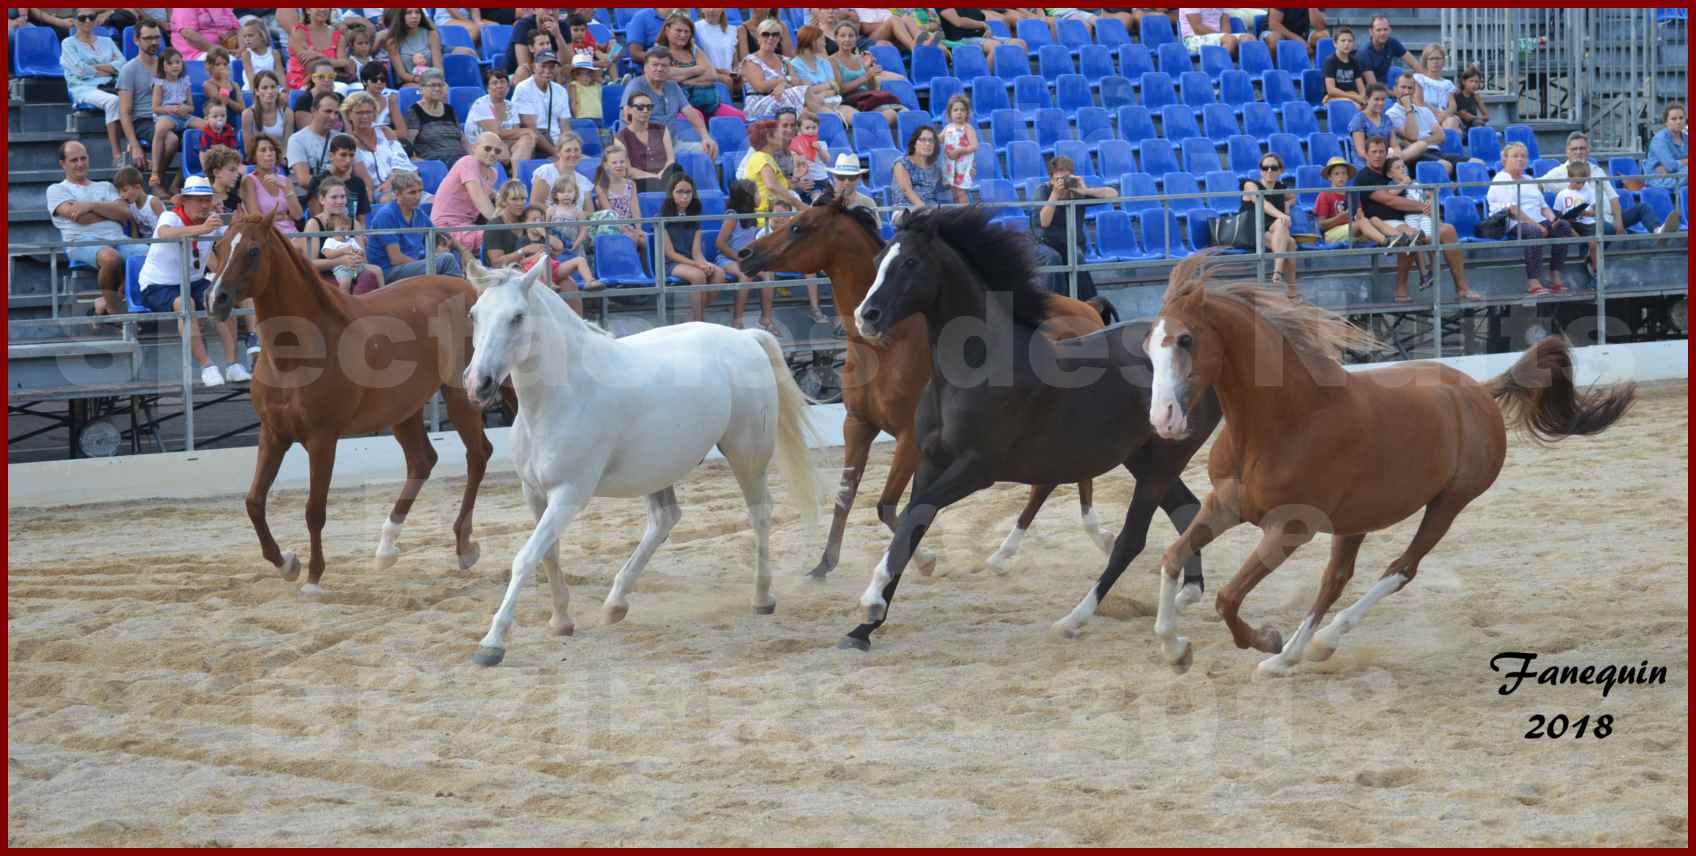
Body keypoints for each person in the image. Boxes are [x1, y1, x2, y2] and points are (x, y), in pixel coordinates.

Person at [137, 176, 246, 386]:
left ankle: (232, 364)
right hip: (157, 285)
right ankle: (207, 366)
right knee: (185, 303)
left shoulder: (212, 221)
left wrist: (237, 222)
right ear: (184, 201)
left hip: (194, 281)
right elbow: (163, 233)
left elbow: (235, 238)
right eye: (198, 200)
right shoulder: (170, 215)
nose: (204, 205)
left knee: (223, 298)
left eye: (207, 199)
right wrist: (201, 230)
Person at [1353, 135, 1478, 302]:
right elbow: (1389, 199)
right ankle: (1401, 289)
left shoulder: (1391, 171)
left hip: (1410, 218)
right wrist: (1422, 206)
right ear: (1366, 154)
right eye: (1374, 152)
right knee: (1409, 237)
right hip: (1384, 223)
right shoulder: (1364, 177)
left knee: (1448, 231)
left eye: (1381, 151)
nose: (1378, 155)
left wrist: (1424, 204)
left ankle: (1462, 288)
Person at [48, 140, 151, 316]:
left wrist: (90, 205)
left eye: (83, 158)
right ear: (62, 164)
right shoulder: (56, 190)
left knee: (149, 253)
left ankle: (108, 302)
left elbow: (125, 213)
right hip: (81, 242)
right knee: (111, 258)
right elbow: (80, 218)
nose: (80, 164)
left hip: (119, 239)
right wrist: (109, 211)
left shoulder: (106, 186)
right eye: (74, 160)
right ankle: (115, 310)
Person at [1536, 131, 1680, 250]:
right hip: (1586, 224)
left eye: (1582, 148)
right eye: (1575, 149)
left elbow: (1613, 197)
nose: (1579, 152)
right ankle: (1591, 261)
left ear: (1588, 150)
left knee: (1644, 207)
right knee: (1605, 228)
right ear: (1567, 152)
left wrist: (1618, 221)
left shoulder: (1597, 170)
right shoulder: (1560, 172)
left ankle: (1658, 232)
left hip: (1609, 218)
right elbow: (1537, 185)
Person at [1488, 142, 1574, 297]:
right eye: (1515, 156)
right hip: (1513, 222)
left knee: (1563, 226)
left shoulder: (1528, 179)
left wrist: (1553, 219)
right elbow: (1513, 210)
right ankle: (1533, 281)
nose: (1520, 159)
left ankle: (1555, 274)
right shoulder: (1501, 179)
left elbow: (1543, 206)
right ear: (1505, 159)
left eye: (1523, 156)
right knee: (1534, 231)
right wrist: (1537, 225)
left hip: (1537, 219)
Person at [1034, 155, 1115, 300]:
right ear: (1051, 179)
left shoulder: (1077, 192)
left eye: (1066, 178)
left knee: (1076, 256)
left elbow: (1113, 194)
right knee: (1054, 258)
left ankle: (1088, 304)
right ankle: (1055, 302)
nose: (1063, 183)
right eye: (1058, 179)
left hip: (1070, 243)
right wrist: (1055, 194)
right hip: (1044, 243)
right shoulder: (1043, 191)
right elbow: (1044, 223)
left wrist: (1085, 191)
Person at [621, 47, 719, 160]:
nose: (659, 69)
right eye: (655, 65)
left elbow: (690, 112)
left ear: (670, 69)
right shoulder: (636, 87)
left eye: (664, 65)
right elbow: (628, 119)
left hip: (672, 145)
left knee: (709, 150)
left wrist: (705, 136)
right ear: (645, 68)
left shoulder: (672, 86)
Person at [367, 169, 464, 281]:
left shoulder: (418, 213)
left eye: (420, 191)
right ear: (397, 194)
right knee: (446, 259)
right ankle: (461, 291)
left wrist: (464, 251)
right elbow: (396, 259)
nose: (418, 197)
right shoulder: (386, 215)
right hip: (389, 270)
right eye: (412, 192)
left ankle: (453, 291)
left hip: (412, 264)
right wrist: (429, 264)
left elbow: (441, 235)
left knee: (449, 255)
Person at [60, 8, 127, 166]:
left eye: (91, 17)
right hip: (84, 87)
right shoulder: (68, 43)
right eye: (83, 18)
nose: (88, 21)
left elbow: (123, 64)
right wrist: (109, 67)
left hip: (110, 84)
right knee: (113, 102)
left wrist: (95, 67)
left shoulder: (107, 41)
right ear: (75, 21)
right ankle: (117, 154)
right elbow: (80, 71)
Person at [712, 178, 779, 329]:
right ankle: (737, 319)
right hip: (727, 258)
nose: (759, 196)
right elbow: (720, 243)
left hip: (747, 258)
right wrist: (738, 258)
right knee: (746, 274)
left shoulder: (753, 216)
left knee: (768, 274)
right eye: (756, 193)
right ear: (747, 197)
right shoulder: (732, 216)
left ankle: (766, 318)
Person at [298, 177, 382, 295]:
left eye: (343, 197)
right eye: (334, 197)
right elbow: (310, 264)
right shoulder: (314, 224)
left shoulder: (354, 224)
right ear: (322, 199)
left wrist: (357, 257)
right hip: (325, 275)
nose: (340, 201)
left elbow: (363, 258)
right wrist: (340, 261)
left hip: (353, 271)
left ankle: (362, 307)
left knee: (371, 275)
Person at [655, 11, 743, 121]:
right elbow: (667, 76)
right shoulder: (659, 51)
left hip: (708, 103)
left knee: (738, 116)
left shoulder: (693, 49)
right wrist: (698, 69)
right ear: (667, 31)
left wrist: (685, 81)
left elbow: (712, 75)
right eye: (679, 30)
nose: (683, 35)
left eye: (687, 31)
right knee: (697, 116)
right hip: (677, 105)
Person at [432, 131, 505, 261]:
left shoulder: (493, 173)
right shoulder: (468, 161)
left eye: (497, 151)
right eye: (488, 148)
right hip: (446, 229)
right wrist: (503, 225)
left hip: (467, 227)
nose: (493, 153)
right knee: (501, 236)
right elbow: (479, 197)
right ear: (474, 148)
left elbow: (491, 195)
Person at [1240, 152, 1300, 298]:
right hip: (1252, 230)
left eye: (1273, 167)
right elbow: (1260, 201)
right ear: (1260, 170)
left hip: (1274, 230)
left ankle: (1278, 275)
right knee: (1289, 241)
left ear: (1280, 170)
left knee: (1287, 236)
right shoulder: (1249, 184)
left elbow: (1293, 198)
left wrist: (1287, 204)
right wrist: (1281, 214)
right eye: (1265, 167)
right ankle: (1290, 289)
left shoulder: (1281, 188)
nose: (1269, 171)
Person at [342, 91, 412, 207]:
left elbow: (402, 161)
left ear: (374, 114)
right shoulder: (347, 141)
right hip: (376, 191)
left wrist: (392, 182)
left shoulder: (385, 131)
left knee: (433, 201)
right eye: (359, 113)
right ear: (349, 115)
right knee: (395, 201)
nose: (364, 116)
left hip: (400, 184)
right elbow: (363, 179)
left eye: (369, 112)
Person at [464, 66, 537, 170]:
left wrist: (527, 134)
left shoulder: (511, 106)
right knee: (510, 147)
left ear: (508, 87)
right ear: (487, 88)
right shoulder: (481, 104)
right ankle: (514, 172)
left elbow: (514, 132)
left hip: (503, 143)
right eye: (494, 83)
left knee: (527, 140)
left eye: (502, 82)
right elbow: (497, 133)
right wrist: (528, 130)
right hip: (482, 147)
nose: (499, 86)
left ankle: (516, 176)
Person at [738, 119, 807, 230]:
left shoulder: (767, 158)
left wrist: (796, 180)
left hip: (776, 216)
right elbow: (772, 186)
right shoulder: (760, 157)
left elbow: (776, 186)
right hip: (766, 220)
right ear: (769, 138)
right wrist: (800, 205)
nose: (783, 137)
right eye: (779, 133)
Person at [148, 48, 198, 194]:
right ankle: (155, 171)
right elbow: (156, 108)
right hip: (168, 115)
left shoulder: (185, 81)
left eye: (177, 62)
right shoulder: (160, 83)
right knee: (161, 129)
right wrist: (173, 109)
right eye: (170, 63)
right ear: (163, 66)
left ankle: (180, 178)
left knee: (208, 127)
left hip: (184, 116)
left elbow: (191, 106)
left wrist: (185, 108)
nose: (175, 65)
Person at [1387, 73, 1457, 175]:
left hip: (1435, 152)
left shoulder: (1425, 111)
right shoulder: (1391, 114)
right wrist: (1408, 109)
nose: (1406, 91)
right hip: (1415, 156)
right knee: (1444, 166)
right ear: (1395, 89)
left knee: (1476, 163)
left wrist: (1419, 142)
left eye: (1410, 88)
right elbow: (1412, 136)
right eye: (1403, 87)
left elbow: (1441, 137)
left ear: (1414, 91)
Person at [789, 24, 855, 127]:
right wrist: (827, 86)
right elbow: (804, 93)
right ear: (812, 41)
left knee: (858, 118)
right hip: (810, 108)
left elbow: (835, 88)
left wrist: (821, 92)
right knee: (833, 120)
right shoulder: (793, 65)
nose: (825, 43)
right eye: (822, 40)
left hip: (833, 103)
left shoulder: (825, 62)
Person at [591, 144, 649, 256]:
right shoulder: (601, 186)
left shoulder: (631, 184)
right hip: (613, 227)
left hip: (630, 226)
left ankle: (649, 271)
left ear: (626, 162)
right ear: (606, 165)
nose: (619, 165)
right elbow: (610, 213)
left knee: (647, 240)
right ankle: (630, 270)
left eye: (622, 162)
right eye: (614, 162)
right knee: (630, 240)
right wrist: (625, 230)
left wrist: (638, 229)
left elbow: (635, 208)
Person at [238, 133, 301, 236]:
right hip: (267, 236)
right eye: (263, 150)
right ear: (254, 156)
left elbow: (297, 215)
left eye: (272, 149)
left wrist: (284, 188)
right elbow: (256, 217)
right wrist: (284, 216)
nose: (269, 153)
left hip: (291, 233)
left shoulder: (285, 181)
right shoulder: (249, 181)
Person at [514, 50, 572, 159]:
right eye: (543, 66)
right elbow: (530, 127)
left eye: (551, 67)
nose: (547, 71)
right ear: (533, 67)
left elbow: (565, 126)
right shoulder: (523, 89)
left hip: (558, 144)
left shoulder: (560, 90)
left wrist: (567, 148)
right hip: (536, 146)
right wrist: (556, 153)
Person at [616, 93, 676, 194]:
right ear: (629, 110)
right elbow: (629, 170)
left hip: (666, 176)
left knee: (677, 170)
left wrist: (662, 174)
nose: (645, 110)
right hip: (642, 180)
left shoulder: (662, 129)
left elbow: (671, 160)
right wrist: (655, 177)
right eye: (640, 107)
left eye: (649, 107)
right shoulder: (621, 137)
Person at [305, 134, 373, 221]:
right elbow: (317, 219)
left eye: (351, 155)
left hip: (352, 232)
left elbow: (361, 221)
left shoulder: (358, 183)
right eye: (343, 155)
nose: (348, 160)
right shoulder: (317, 181)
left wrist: (359, 234)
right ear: (331, 156)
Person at [892, 125, 961, 210]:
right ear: (914, 144)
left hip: (932, 210)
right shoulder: (901, 163)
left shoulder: (935, 168)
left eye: (931, 141)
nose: (928, 144)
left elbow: (946, 184)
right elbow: (907, 190)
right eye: (923, 140)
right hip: (906, 210)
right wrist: (925, 210)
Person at [288, 93, 345, 196]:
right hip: (311, 197)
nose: (333, 117)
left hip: (340, 196)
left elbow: (350, 175)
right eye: (328, 111)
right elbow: (304, 180)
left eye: (336, 113)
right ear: (313, 111)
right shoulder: (297, 140)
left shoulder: (342, 139)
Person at [406, 69, 466, 165]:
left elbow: (463, 139)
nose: (437, 89)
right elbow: (409, 144)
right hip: (436, 163)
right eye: (433, 85)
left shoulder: (450, 110)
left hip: (461, 160)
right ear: (421, 89)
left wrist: (473, 156)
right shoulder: (415, 111)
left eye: (440, 85)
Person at [938, 8, 1024, 74]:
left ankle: (1013, 75)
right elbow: (958, 22)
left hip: (981, 36)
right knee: (995, 46)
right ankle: (984, 78)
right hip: (962, 39)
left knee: (1019, 43)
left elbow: (980, 18)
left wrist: (987, 29)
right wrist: (982, 25)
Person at [529, 132, 596, 216]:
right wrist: (560, 214)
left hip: (577, 225)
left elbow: (590, 213)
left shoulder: (584, 181)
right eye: (568, 150)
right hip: (551, 223)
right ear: (558, 152)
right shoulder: (546, 172)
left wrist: (574, 215)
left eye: (576, 150)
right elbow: (535, 204)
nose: (573, 154)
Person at [379, 7, 444, 89]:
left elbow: (439, 68)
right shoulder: (392, 41)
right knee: (423, 90)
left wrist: (434, 81)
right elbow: (402, 74)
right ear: (401, 16)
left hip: (433, 80)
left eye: (417, 12)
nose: (414, 16)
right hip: (409, 82)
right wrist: (421, 80)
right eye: (409, 13)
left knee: (441, 89)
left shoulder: (431, 34)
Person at [287, 8, 349, 91]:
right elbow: (310, 66)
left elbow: (345, 64)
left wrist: (319, 55)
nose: (323, 9)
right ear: (308, 10)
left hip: (329, 81)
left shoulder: (338, 36)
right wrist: (337, 62)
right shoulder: (299, 32)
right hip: (303, 83)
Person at [503, 8, 567, 79]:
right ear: (534, 10)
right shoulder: (523, 25)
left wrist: (558, 35)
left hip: (546, 70)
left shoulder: (563, 26)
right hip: (514, 75)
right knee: (523, 71)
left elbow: (566, 63)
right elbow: (524, 64)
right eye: (546, 8)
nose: (551, 12)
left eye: (554, 9)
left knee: (564, 70)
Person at [1358, 15, 1420, 88]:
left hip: (1385, 81)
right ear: (1371, 31)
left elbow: (1414, 63)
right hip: (1371, 91)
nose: (1383, 33)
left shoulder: (1392, 42)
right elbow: (1374, 89)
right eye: (1378, 30)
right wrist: (1398, 93)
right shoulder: (1364, 53)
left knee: (1398, 71)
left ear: (1390, 30)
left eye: (1385, 29)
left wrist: (1430, 80)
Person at [939, 95, 979, 199]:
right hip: (951, 164)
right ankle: (959, 212)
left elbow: (974, 146)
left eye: (962, 110)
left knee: (961, 191)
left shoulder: (968, 128)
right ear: (950, 113)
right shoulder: (947, 128)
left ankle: (965, 213)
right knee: (954, 191)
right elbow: (940, 139)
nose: (959, 112)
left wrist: (961, 150)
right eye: (955, 110)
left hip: (964, 165)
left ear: (967, 113)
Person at [1348, 83, 1398, 162]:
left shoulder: (1387, 119)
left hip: (1385, 160)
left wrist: (1395, 157)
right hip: (1365, 162)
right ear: (1367, 99)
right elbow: (1361, 151)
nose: (1380, 103)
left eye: (1383, 99)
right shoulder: (1359, 120)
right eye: (1376, 99)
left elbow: (1395, 147)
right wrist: (1380, 161)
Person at [1645, 102, 1688, 191]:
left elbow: (1670, 167)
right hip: (1659, 180)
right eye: (1673, 119)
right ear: (1666, 122)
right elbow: (1671, 166)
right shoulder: (1659, 140)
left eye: (1681, 118)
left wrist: (1673, 166)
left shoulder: (1686, 137)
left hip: (1680, 176)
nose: (1678, 122)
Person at [1314, 156, 1357, 245]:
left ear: (1347, 176)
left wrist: (1359, 216)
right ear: (1330, 177)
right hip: (1331, 233)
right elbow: (1321, 225)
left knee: (1371, 222)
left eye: (1344, 173)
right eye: (1336, 174)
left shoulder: (1353, 194)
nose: (1341, 176)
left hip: (1353, 228)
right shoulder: (1324, 195)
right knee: (1362, 225)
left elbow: (1359, 215)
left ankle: (1389, 240)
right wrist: (1339, 218)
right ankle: (1385, 242)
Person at [170, 7, 239, 61]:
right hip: (197, 53)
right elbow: (188, 33)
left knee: (247, 55)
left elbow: (237, 27)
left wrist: (240, 48)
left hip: (226, 48)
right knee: (231, 62)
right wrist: (214, 49)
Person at [235, 17, 283, 95]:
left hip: (270, 87)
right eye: (245, 36)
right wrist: (256, 94)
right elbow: (251, 77)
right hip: (252, 89)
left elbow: (280, 75)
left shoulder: (274, 53)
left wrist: (286, 91)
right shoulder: (247, 55)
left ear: (262, 36)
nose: (247, 39)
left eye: (250, 36)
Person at [1323, 27, 1365, 107]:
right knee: (1353, 105)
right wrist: (1354, 97)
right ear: (1335, 43)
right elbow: (1331, 90)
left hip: (1352, 95)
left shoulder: (1354, 61)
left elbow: (1361, 87)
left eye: (1350, 41)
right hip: (1332, 98)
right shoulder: (1330, 61)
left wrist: (1362, 97)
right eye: (1343, 41)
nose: (1346, 44)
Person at [193, 102, 239, 173]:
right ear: (207, 119)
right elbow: (202, 154)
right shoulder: (205, 134)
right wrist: (206, 169)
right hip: (212, 166)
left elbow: (234, 150)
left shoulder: (230, 131)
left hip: (227, 164)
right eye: (215, 116)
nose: (220, 119)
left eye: (223, 116)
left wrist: (235, 165)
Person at [566, 54, 604, 124]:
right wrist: (576, 118)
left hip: (599, 118)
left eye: (588, 73)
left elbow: (600, 77)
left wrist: (597, 77)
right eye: (580, 74)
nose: (585, 77)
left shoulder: (596, 86)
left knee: (605, 134)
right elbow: (573, 103)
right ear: (575, 75)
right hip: (582, 119)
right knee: (587, 134)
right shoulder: (574, 85)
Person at [1453, 65, 1490, 132]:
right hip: (1459, 125)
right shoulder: (1456, 95)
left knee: (1478, 123)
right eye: (1471, 81)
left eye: (1476, 82)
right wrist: (1460, 114)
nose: (1474, 84)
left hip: (1473, 125)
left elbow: (1487, 116)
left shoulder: (1476, 97)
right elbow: (1450, 113)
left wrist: (1473, 117)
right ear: (1464, 82)